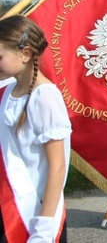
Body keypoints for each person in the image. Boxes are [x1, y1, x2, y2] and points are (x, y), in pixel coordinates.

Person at [0, 15, 71, 242]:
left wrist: (43, 227)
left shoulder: (44, 96)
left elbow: (57, 166)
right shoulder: (7, 91)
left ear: (26, 53)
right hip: (8, 206)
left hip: (33, 212)